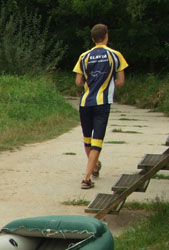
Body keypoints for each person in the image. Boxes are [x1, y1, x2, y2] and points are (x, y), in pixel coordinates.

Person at [73, 23, 128, 189]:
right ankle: (86, 178)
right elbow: (121, 82)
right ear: (106, 36)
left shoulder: (84, 56)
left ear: (92, 38)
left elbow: (78, 82)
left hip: (85, 103)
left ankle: (95, 166)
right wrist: (108, 82)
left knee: (87, 140)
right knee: (97, 140)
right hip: (102, 103)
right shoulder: (115, 55)